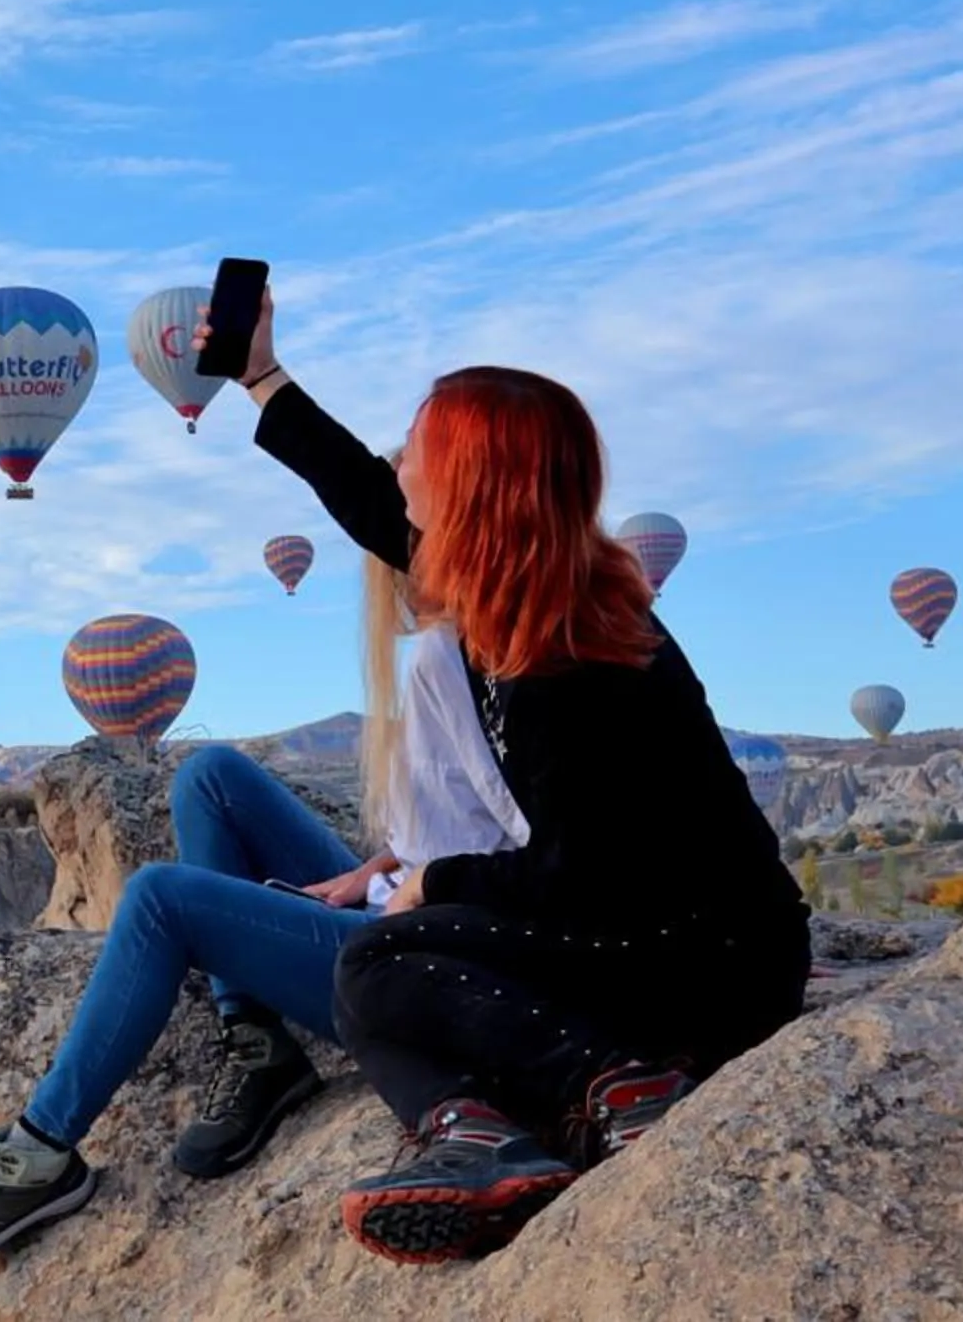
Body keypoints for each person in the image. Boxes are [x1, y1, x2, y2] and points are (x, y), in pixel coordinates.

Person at [211, 288, 810, 1266]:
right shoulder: (519, 594)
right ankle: (480, 1136)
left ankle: (608, 1087)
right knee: (375, 966)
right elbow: (365, 498)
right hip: (657, 941)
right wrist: (261, 378)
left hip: (703, 963)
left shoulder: (573, 657)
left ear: (470, 484)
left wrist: (435, 882)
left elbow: (586, 877)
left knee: (374, 964)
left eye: (418, 451)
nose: (400, 467)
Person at [0, 505, 521, 1263]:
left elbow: (540, 854)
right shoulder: (447, 654)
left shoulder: (476, 664)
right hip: (396, 908)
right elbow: (452, 821)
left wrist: (420, 888)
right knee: (209, 774)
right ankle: (256, 1038)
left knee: (161, 897)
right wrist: (379, 866)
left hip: (429, 958)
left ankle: (43, 1149)